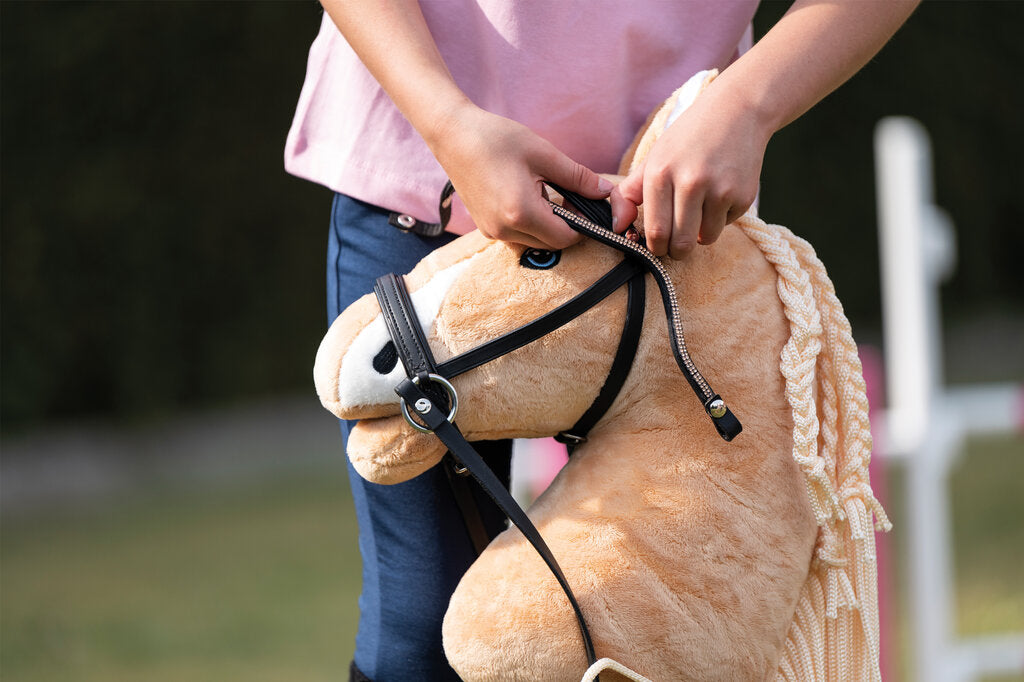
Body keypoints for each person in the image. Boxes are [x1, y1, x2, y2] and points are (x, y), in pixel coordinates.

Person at [285, 2, 919, 680]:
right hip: (426, 182)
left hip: (668, 221)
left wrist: (748, 104)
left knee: (655, 630)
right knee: (420, 629)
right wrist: (448, 123)